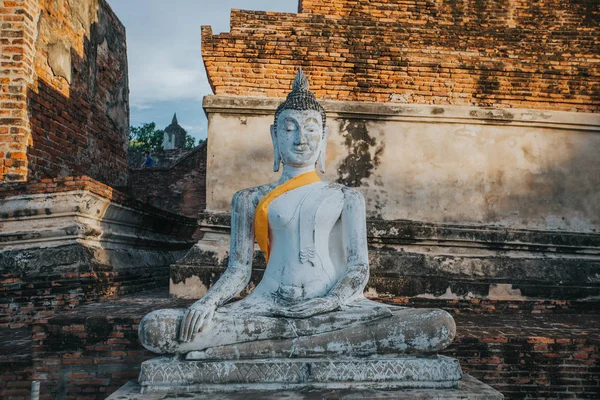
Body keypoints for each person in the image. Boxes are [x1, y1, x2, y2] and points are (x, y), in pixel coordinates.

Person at [138, 69, 456, 359]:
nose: (301, 138)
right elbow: (239, 271)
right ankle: (294, 344)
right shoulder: (249, 199)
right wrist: (208, 302)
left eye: (310, 128)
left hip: (334, 310)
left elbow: (359, 269)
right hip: (265, 308)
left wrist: (327, 302)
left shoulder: (346, 197)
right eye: (290, 128)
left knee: (437, 325)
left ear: (324, 137)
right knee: (158, 329)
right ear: (275, 136)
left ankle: (261, 350)